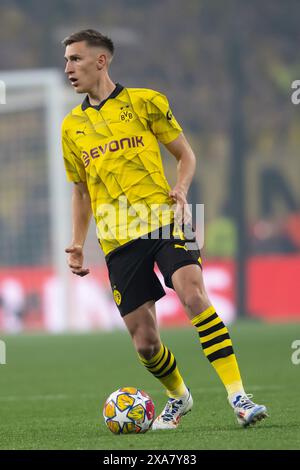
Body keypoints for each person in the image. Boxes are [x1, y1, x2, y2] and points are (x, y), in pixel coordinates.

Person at [62, 29, 268, 430]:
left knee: (193, 294)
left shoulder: (146, 102)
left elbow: (184, 154)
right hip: (117, 236)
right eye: (67, 60)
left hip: (166, 218)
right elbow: (81, 191)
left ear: (101, 61)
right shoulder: (71, 127)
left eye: (76, 59)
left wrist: (182, 188)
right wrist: (76, 241)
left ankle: (239, 396)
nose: (68, 68)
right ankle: (179, 396)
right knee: (145, 342)